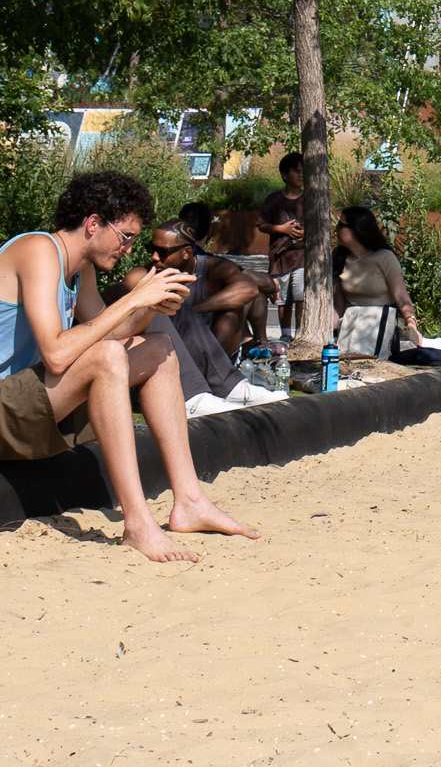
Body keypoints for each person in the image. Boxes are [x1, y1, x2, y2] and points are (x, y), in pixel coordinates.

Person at [0, 171, 257, 560]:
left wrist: (151, 305)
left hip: (30, 405)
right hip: (5, 408)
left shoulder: (79, 269)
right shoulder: (37, 250)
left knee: (157, 347)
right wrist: (132, 300)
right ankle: (137, 524)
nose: (129, 249)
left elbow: (109, 333)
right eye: (126, 236)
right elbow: (56, 353)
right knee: (106, 359)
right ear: (92, 224)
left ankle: (189, 500)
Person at [122, 227, 285, 413]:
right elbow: (122, 290)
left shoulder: (210, 267)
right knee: (163, 298)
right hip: (161, 368)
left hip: (206, 354)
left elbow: (249, 289)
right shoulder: (144, 275)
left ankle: (229, 387)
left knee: (230, 311)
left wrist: (193, 310)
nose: (155, 257)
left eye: (163, 252)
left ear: (186, 252)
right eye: (150, 248)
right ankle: (194, 397)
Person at [173, 202, 276, 355]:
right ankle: (258, 342)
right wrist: (274, 285)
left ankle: (252, 341)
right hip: (202, 332)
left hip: (185, 324)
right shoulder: (207, 262)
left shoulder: (163, 263)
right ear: (209, 231)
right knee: (245, 292)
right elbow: (257, 282)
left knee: (245, 289)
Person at [334, 206, 423, 358]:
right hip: (353, 326)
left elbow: (401, 296)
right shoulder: (339, 258)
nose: (336, 229)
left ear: (357, 230)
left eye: (341, 225)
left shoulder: (384, 258)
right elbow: (338, 305)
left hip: (384, 323)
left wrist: (411, 324)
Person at [256, 153, 307, 346]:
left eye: (304, 172)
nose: (301, 175)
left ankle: (301, 332)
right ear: (284, 175)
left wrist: (306, 234)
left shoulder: (309, 199)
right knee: (283, 297)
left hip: (302, 256)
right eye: (296, 171)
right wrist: (281, 229)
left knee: (301, 294)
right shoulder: (274, 200)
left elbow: (319, 224)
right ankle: (286, 334)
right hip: (280, 257)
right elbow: (261, 225)